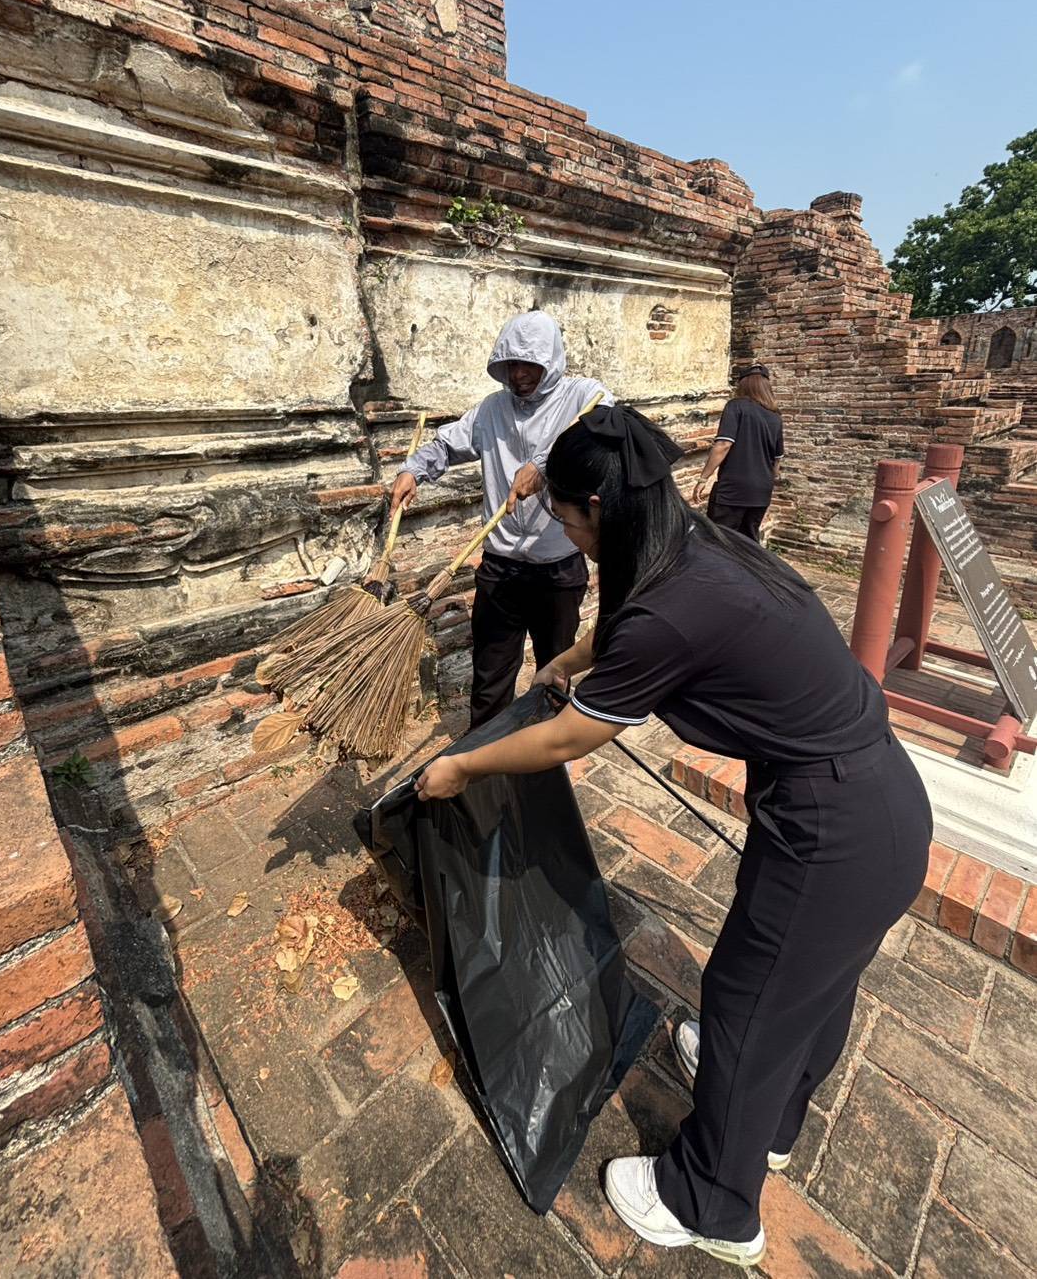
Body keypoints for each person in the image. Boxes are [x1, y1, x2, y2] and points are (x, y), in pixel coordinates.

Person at [417, 405, 931, 1268]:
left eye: (570, 521)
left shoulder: (667, 604)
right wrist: (574, 659)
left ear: (596, 509)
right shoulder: (691, 543)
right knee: (809, 985)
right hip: (876, 797)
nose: (570, 539)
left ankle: (713, 1201)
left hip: (834, 827)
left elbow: (569, 737)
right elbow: (628, 619)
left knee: (748, 999)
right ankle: (768, 1122)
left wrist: (461, 769)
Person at [390, 311, 613, 728]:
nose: (519, 374)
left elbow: (601, 428)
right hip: (501, 568)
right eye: (511, 364)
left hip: (559, 568)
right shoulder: (491, 409)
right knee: (490, 674)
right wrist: (413, 469)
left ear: (551, 362)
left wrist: (543, 465)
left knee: (555, 669)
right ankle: (483, 762)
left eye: (530, 364)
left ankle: (546, 754)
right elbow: (446, 443)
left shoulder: (584, 395)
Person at [693, 363, 784, 543]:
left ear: (743, 384)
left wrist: (703, 478)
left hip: (733, 489)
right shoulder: (775, 416)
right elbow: (777, 461)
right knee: (749, 542)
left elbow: (724, 444)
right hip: (761, 491)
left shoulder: (736, 406)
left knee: (719, 541)